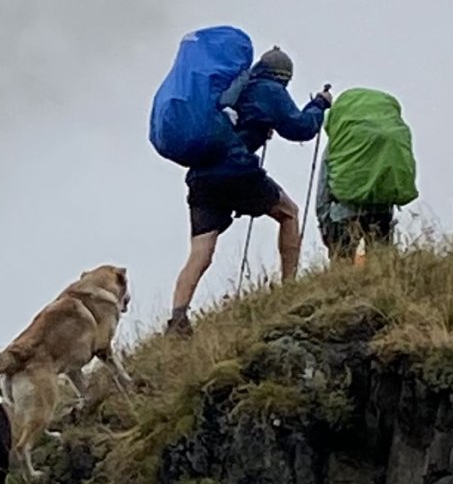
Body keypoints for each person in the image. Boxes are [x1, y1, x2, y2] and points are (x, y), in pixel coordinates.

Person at [167, 46, 331, 334]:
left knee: (201, 251)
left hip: (202, 176)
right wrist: (319, 104)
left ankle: (177, 318)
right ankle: (289, 288)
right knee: (289, 213)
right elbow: (300, 128)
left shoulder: (232, 90)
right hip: (237, 170)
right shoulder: (270, 89)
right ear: (283, 76)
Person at [314, 87, 418, 264]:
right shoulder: (386, 143)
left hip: (343, 212)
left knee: (342, 268)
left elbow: (323, 187)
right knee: (381, 265)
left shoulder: (337, 147)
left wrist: (325, 225)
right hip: (381, 210)